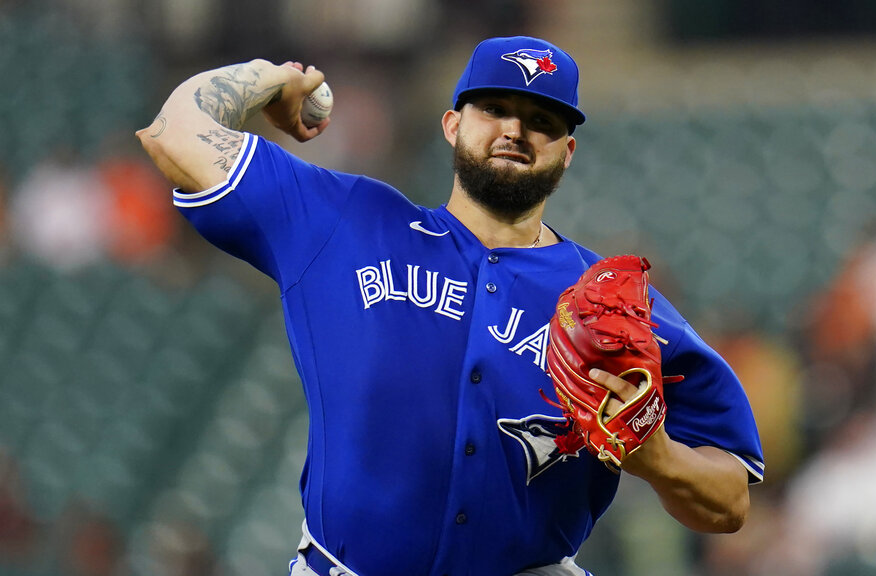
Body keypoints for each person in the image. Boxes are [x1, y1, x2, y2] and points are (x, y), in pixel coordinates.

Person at [136, 35, 763, 576]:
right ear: (452, 123)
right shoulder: (347, 221)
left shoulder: (615, 306)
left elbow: (728, 499)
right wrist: (265, 79)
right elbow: (174, 133)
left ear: (567, 152)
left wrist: (655, 457)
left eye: (541, 118)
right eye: (494, 107)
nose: (515, 130)